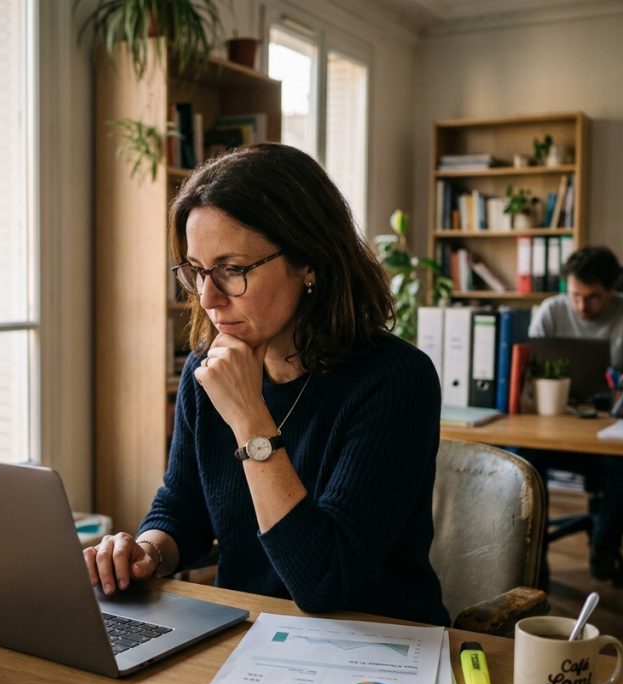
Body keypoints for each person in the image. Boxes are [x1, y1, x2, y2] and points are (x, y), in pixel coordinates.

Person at [83, 143, 449, 626]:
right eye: (197, 271)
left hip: (377, 649)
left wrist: (249, 417)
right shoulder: (207, 372)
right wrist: (147, 551)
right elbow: (182, 509)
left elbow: (326, 583)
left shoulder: (396, 381)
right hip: (250, 636)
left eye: (233, 270)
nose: (210, 298)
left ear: (310, 262)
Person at [527, 245, 623, 583]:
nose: (581, 306)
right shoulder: (551, 311)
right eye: (574, 295)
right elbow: (528, 372)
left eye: (592, 298)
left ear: (613, 288)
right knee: (524, 461)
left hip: (616, 427)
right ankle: (535, 558)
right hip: (557, 425)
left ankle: (604, 547)